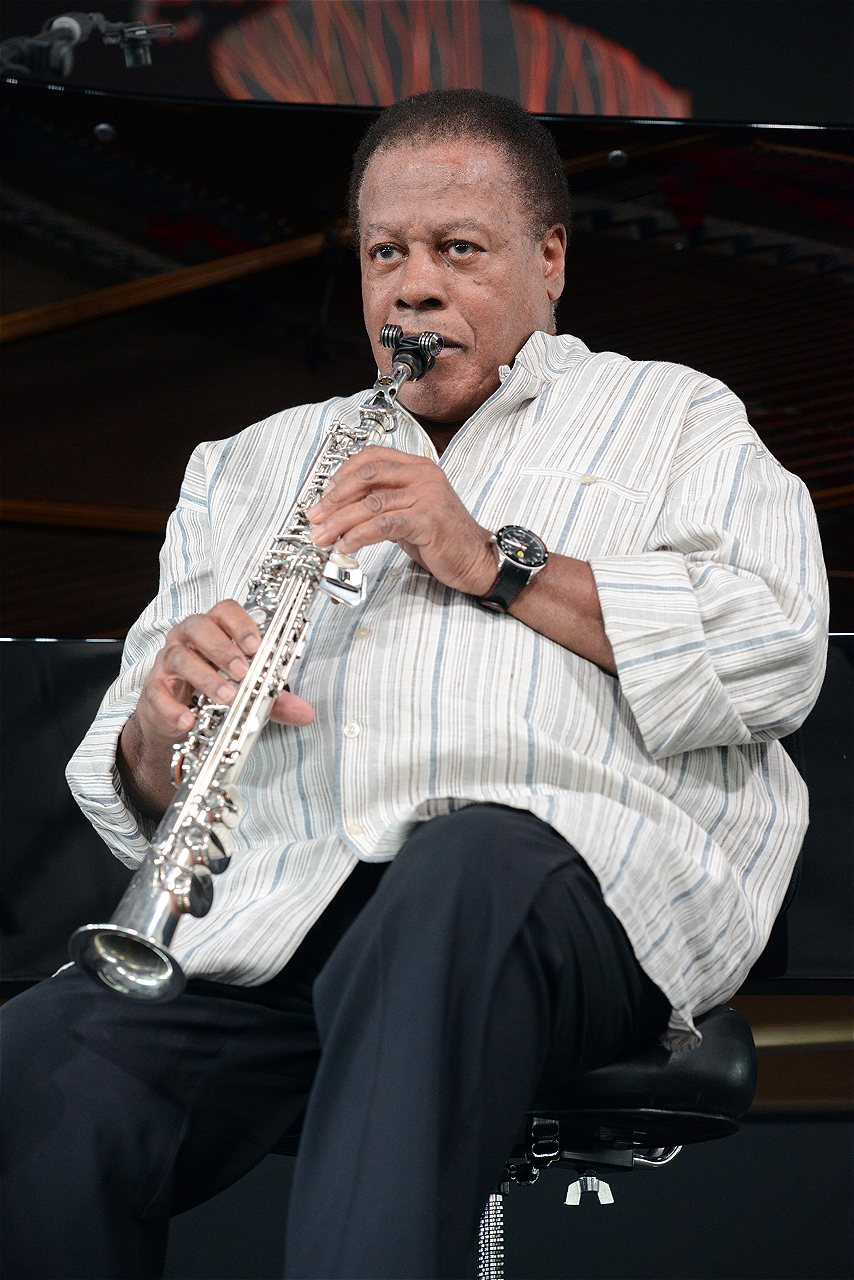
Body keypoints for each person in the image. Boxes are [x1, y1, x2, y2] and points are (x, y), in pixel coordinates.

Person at [1, 89, 827, 1280]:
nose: (414, 288)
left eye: (458, 249)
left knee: (457, 875)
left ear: (549, 259)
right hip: (279, 916)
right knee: (42, 1061)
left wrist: (491, 559)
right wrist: (160, 725)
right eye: (386, 252)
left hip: (555, 890)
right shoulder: (243, 465)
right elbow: (131, 784)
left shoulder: (675, 417)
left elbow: (773, 648)